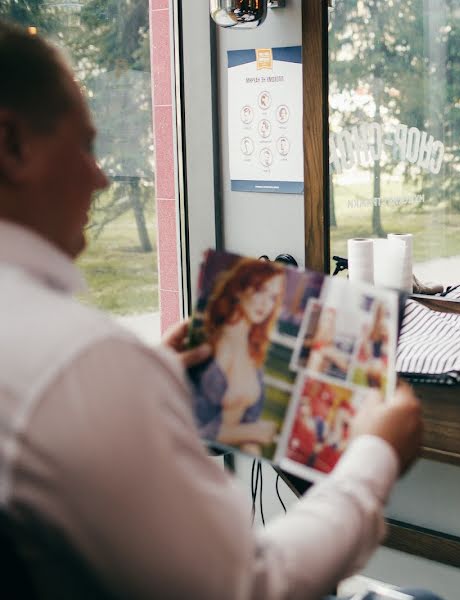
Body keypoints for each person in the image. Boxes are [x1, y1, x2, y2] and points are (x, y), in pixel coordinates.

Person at [0, 21, 428, 599]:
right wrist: (376, 455)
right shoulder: (80, 363)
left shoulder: (73, 365)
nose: (100, 178)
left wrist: (143, 381)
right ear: (11, 145)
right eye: (84, 146)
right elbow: (249, 586)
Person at [191, 258, 286, 455]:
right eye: (260, 290)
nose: (265, 304)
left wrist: (250, 441)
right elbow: (192, 429)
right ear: (238, 288)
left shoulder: (253, 347)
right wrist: (250, 432)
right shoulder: (213, 346)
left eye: (272, 297)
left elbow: (247, 422)